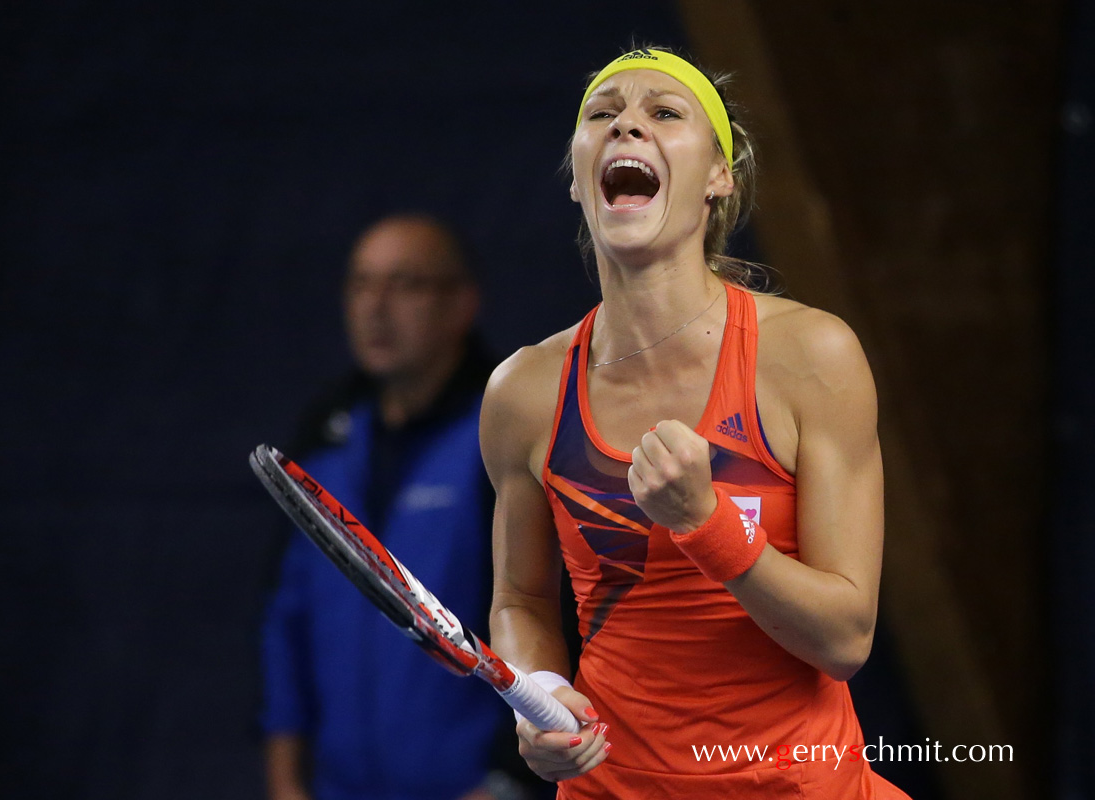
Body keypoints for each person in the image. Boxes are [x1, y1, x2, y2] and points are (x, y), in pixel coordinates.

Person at [481, 47, 912, 797]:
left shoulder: (813, 354)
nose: (627, 128)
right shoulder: (523, 391)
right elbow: (520, 599)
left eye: (664, 113)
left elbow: (845, 639)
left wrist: (706, 523)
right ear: (579, 180)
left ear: (719, 179)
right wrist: (541, 692)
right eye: (603, 114)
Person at [260, 215, 535, 800]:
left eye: (405, 284)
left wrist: (509, 781)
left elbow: (554, 618)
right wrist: (285, 780)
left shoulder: (503, 434)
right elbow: (287, 619)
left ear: (462, 303)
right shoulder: (324, 436)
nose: (376, 307)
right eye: (361, 284)